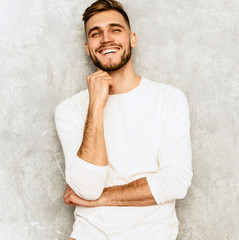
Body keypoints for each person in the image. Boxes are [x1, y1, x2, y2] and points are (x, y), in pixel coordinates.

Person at [54, 0, 193, 239]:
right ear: (88, 48)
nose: (106, 39)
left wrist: (101, 198)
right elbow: (86, 187)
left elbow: (176, 181)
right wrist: (96, 106)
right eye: (96, 34)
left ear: (132, 39)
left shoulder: (169, 98)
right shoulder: (69, 110)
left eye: (115, 30)